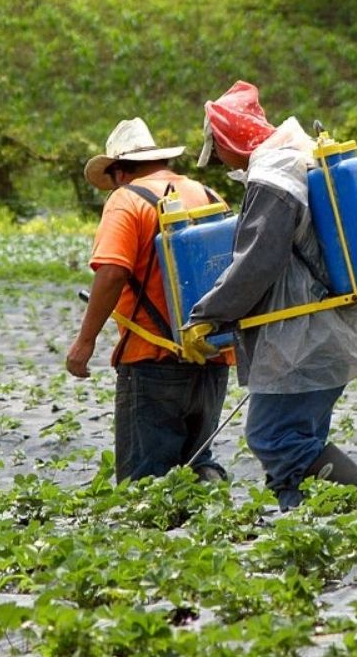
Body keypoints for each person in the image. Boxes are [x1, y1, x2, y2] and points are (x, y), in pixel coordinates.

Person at [182, 81, 357, 511]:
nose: (219, 162)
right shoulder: (291, 160)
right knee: (296, 441)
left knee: (276, 437)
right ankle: (304, 523)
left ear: (228, 140)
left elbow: (257, 261)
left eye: (218, 151)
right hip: (321, 329)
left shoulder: (274, 175)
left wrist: (207, 314)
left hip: (302, 336)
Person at [66, 118, 232, 484]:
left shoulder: (126, 200)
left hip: (151, 362)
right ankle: (216, 500)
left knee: (143, 483)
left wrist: (85, 342)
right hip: (212, 357)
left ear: (119, 171)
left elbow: (112, 272)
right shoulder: (209, 196)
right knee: (196, 463)